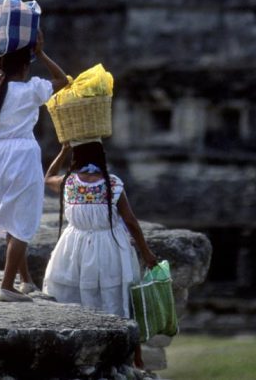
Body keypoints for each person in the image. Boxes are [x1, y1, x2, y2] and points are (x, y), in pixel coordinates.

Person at [0, 29, 68, 302]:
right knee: (22, 221)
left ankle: (25, 281)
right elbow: (63, 80)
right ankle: (6, 286)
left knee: (12, 220)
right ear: (25, 67)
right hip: (20, 157)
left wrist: (2, 51)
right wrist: (41, 53)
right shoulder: (30, 90)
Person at [42, 140, 159, 367]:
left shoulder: (69, 183)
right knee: (118, 297)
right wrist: (146, 252)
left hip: (73, 247)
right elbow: (131, 222)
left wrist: (63, 151)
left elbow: (47, 178)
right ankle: (131, 356)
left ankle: (79, 353)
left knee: (74, 297)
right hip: (109, 247)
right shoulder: (112, 184)